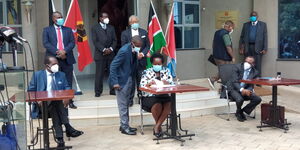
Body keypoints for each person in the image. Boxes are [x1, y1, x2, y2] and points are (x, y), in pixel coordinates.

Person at [28, 56, 83, 148]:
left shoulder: (61, 74)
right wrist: (37, 100)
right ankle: (67, 128)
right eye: (54, 64)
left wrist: (67, 98)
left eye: (57, 63)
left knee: (55, 105)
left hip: (56, 105)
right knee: (56, 104)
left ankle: (60, 139)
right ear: (47, 66)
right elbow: (30, 91)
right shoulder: (38, 75)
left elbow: (67, 87)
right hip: (42, 106)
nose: (56, 66)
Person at [42, 11, 77, 109]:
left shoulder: (68, 30)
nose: (60, 19)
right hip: (53, 59)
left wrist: (64, 51)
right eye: (58, 17)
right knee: (55, 79)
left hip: (66, 58)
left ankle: (69, 100)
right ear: (53, 19)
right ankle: (56, 101)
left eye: (61, 17)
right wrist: (58, 52)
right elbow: (46, 43)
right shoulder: (47, 30)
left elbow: (72, 42)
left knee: (68, 80)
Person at [109, 36, 142, 135]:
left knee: (126, 103)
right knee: (123, 105)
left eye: (140, 46)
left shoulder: (133, 50)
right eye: (137, 46)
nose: (138, 48)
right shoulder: (124, 51)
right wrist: (115, 82)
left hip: (129, 78)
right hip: (122, 81)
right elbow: (113, 66)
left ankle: (124, 124)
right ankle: (124, 127)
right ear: (132, 43)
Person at [139, 53, 173, 138]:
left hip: (163, 95)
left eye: (159, 64)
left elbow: (172, 83)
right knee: (157, 104)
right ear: (152, 63)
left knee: (169, 103)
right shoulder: (146, 72)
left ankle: (157, 126)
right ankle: (158, 126)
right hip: (150, 96)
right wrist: (149, 84)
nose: (157, 65)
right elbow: (142, 86)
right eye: (155, 64)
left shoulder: (166, 71)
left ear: (162, 63)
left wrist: (167, 82)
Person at [121, 15, 150, 106]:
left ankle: (142, 98)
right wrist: (133, 53)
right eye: (133, 22)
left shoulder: (144, 32)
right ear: (130, 23)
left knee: (141, 81)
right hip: (130, 61)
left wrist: (142, 54)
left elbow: (147, 46)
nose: (135, 24)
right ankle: (130, 100)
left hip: (142, 61)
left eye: (136, 22)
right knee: (131, 82)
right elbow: (124, 47)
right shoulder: (125, 33)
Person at [228, 56, 262, 122]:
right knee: (240, 99)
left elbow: (251, 84)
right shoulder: (237, 67)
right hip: (233, 89)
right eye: (246, 61)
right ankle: (239, 111)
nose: (246, 63)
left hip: (246, 89)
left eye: (249, 62)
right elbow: (234, 81)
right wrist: (242, 90)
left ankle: (241, 111)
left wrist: (248, 90)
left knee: (257, 99)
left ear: (253, 64)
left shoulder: (255, 72)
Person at [91, 12, 117, 97]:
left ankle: (112, 90)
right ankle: (98, 91)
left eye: (107, 16)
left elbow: (114, 40)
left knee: (112, 72)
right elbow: (95, 41)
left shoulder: (111, 27)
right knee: (99, 74)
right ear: (100, 18)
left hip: (111, 54)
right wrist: (104, 49)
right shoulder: (95, 28)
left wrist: (110, 49)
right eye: (105, 17)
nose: (107, 18)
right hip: (100, 54)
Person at [208, 20, 235, 89]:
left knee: (222, 71)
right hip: (223, 57)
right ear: (229, 27)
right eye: (232, 28)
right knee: (225, 72)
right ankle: (216, 82)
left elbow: (213, 44)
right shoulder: (225, 34)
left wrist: (215, 52)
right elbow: (228, 47)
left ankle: (218, 84)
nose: (232, 29)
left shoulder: (217, 32)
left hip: (216, 56)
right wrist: (233, 57)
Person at [239, 11, 268, 77]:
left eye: (254, 16)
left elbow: (265, 37)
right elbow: (242, 37)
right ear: (250, 17)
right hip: (247, 47)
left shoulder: (263, 25)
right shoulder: (245, 25)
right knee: (247, 65)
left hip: (258, 48)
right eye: (252, 16)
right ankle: (247, 81)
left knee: (258, 65)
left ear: (257, 16)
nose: (253, 17)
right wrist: (241, 48)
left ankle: (258, 82)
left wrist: (265, 48)